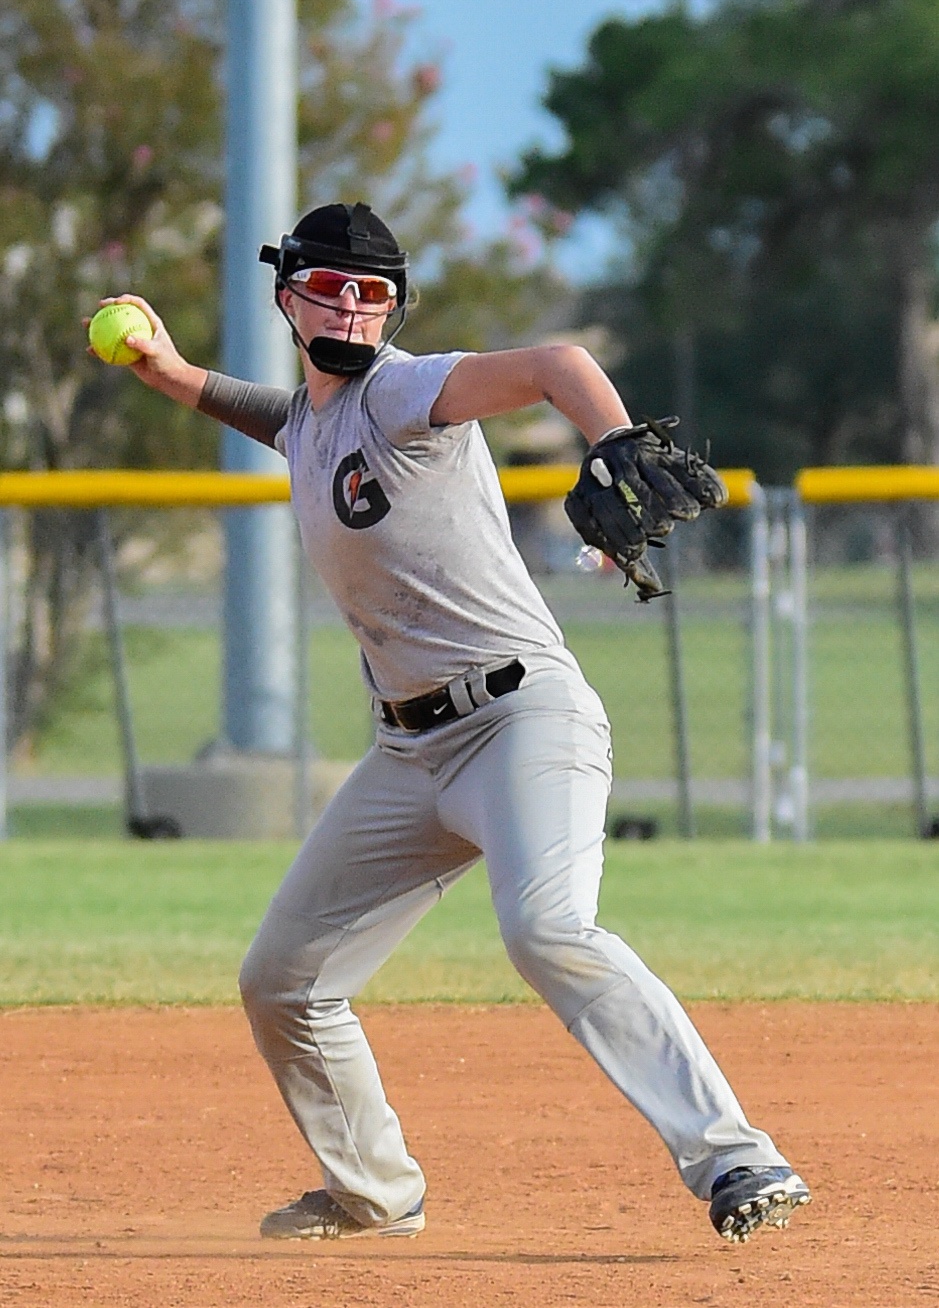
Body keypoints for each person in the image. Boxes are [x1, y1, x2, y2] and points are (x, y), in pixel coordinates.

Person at [101, 201, 810, 1246]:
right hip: (407, 751)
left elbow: (557, 360)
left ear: (395, 308)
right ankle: (375, 1193)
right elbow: (272, 411)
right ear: (286, 294)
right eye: (329, 285)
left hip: (523, 717)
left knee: (547, 928)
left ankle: (737, 1152)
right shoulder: (311, 419)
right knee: (282, 981)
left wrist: (609, 436)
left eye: (372, 290)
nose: (351, 303)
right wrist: (165, 372)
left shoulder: (400, 391)